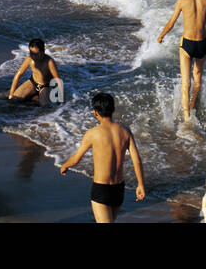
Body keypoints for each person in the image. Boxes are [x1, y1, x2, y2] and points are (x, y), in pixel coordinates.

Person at [60, 93, 146, 224]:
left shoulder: (92, 133)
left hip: (101, 189)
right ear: (113, 109)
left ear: (95, 112)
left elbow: (76, 158)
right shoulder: (125, 131)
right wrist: (140, 184)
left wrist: (65, 165)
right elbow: (136, 160)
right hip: (119, 188)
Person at [157, 0, 206, 121]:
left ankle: (187, 117)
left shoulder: (182, 1)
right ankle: (193, 105)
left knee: (186, 82)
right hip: (202, 43)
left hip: (187, 43)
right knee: (198, 79)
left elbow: (171, 23)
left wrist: (161, 36)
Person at [7, 38, 61, 103]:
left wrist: (60, 99)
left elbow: (57, 79)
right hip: (33, 82)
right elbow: (18, 74)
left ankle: (36, 96)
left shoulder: (49, 62)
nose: (33, 56)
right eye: (31, 53)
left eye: (36, 54)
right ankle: (34, 95)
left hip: (45, 86)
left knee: (45, 107)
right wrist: (11, 94)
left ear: (43, 51)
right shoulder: (30, 59)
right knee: (15, 99)